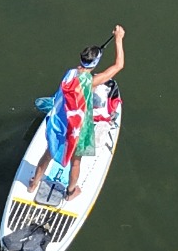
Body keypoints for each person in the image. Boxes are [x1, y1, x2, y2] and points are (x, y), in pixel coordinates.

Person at [26, 24, 126, 204]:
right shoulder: (92, 81)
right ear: (95, 64)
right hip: (76, 128)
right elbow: (119, 65)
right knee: (76, 162)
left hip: (60, 123)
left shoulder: (70, 73)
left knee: (48, 153)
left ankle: (33, 183)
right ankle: (71, 192)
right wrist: (118, 38)